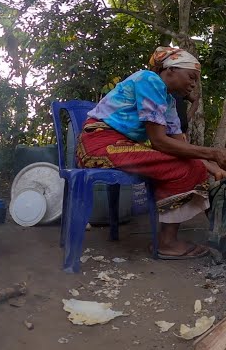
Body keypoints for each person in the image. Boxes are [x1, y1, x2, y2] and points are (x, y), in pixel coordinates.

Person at [76, 46, 226, 260]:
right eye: (191, 77)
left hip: (121, 145)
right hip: (98, 144)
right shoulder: (149, 79)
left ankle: (169, 240)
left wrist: (214, 168)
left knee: (190, 166)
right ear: (171, 70)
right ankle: (166, 243)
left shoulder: (169, 101)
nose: (193, 84)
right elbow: (159, 141)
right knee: (184, 168)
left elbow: (179, 145)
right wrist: (213, 154)